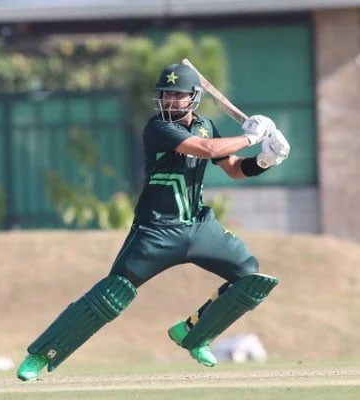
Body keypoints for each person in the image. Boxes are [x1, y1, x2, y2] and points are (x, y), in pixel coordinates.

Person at [16, 62, 290, 381]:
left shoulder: (205, 125)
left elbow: (233, 169)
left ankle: (193, 334)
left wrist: (266, 159)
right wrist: (252, 136)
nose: (170, 101)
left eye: (177, 95)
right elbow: (205, 150)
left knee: (249, 275)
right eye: (166, 94)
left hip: (199, 226)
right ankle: (41, 356)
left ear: (193, 97)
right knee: (113, 292)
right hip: (156, 230)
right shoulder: (158, 128)